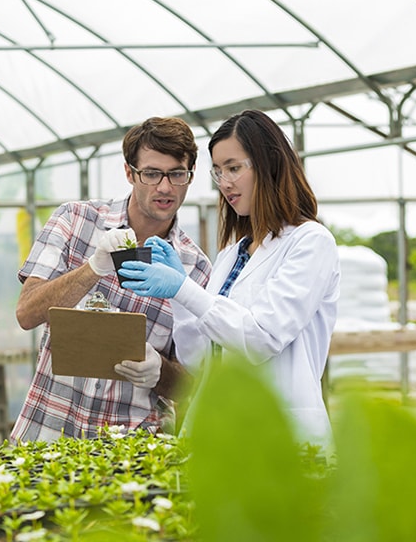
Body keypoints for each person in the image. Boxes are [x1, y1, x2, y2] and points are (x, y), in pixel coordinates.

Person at [118, 109, 340, 449]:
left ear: (270, 164)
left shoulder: (310, 242)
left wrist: (184, 288)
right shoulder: (230, 255)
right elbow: (199, 360)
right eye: (218, 172)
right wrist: (180, 301)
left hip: (278, 433)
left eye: (234, 168)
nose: (225, 183)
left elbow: (262, 338)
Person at [10, 116, 212, 443]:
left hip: (131, 449)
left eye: (177, 174)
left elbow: (192, 384)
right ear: (129, 173)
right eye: (151, 173)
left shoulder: (196, 268)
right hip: (47, 433)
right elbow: (27, 313)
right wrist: (92, 269)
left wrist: (158, 370)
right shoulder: (75, 221)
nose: (165, 187)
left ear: (190, 176)